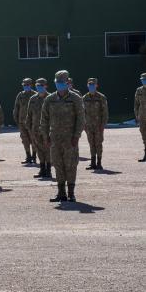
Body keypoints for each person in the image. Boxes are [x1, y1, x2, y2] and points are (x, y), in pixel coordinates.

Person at [41, 70, 85, 202]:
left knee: (71, 165)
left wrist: (76, 136)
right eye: (57, 83)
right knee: (58, 165)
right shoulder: (50, 99)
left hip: (70, 139)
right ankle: (61, 193)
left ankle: (71, 193)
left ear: (67, 83)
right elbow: (44, 119)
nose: (59, 85)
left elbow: (81, 119)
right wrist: (45, 137)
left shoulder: (76, 98)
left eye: (61, 83)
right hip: (54, 139)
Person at [26, 78, 51, 179]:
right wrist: (29, 128)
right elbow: (29, 115)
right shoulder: (33, 99)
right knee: (39, 150)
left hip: (47, 130)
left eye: (41, 85)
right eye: (38, 86)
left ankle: (48, 170)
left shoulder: (51, 98)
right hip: (35, 129)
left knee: (47, 150)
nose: (39, 87)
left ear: (46, 86)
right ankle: (42, 169)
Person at [83, 78, 108, 170]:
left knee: (98, 143)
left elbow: (105, 112)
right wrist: (83, 125)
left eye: (93, 85)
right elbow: (82, 112)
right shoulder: (85, 98)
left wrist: (103, 125)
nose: (91, 86)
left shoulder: (101, 97)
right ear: (87, 85)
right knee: (91, 144)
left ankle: (99, 163)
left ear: (96, 85)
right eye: (90, 85)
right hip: (88, 125)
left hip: (98, 125)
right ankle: (92, 163)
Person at [13, 78, 37, 164]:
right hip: (22, 122)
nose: (26, 86)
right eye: (24, 85)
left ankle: (34, 156)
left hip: (32, 122)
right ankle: (28, 156)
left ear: (31, 85)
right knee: (25, 140)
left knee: (33, 139)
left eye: (27, 85)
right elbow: (16, 108)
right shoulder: (20, 95)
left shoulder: (35, 95)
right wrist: (16, 119)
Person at [135, 72, 146, 162]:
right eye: (142, 80)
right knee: (144, 136)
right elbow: (136, 104)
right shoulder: (139, 90)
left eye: (145, 80)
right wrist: (137, 116)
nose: (144, 81)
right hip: (142, 117)